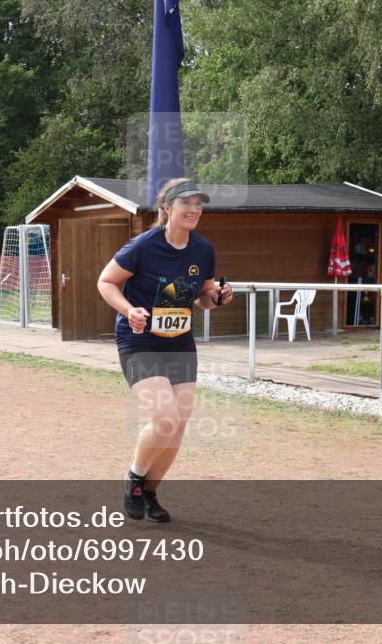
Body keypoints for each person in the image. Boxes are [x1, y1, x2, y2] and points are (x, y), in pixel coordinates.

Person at [97, 178, 233, 522]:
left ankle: (150, 493)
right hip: (139, 341)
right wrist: (130, 310)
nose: (194, 210)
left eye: (198, 204)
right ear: (167, 208)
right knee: (165, 417)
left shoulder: (203, 250)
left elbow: (202, 298)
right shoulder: (142, 246)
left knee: (179, 423)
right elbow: (106, 281)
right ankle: (134, 478)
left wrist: (215, 297)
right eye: (186, 203)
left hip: (180, 345)